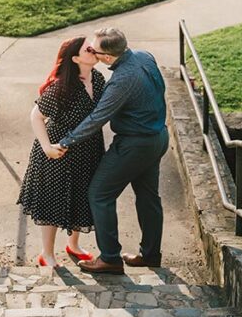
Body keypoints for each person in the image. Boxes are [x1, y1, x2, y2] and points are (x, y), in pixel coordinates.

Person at [48, 27, 168, 275]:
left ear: (108, 57)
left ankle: (110, 258)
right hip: (158, 137)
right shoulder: (144, 56)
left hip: (135, 145)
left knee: (100, 193)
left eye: (94, 49)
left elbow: (97, 118)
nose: (91, 51)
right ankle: (151, 255)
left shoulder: (122, 80)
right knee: (148, 198)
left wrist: (66, 141)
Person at [17, 36, 105, 268]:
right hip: (58, 151)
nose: (93, 49)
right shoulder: (63, 87)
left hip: (88, 149)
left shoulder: (97, 78)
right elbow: (36, 116)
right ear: (76, 58)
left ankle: (73, 245)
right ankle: (47, 254)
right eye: (88, 49)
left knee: (81, 197)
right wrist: (47, 147)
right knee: (53, 200)